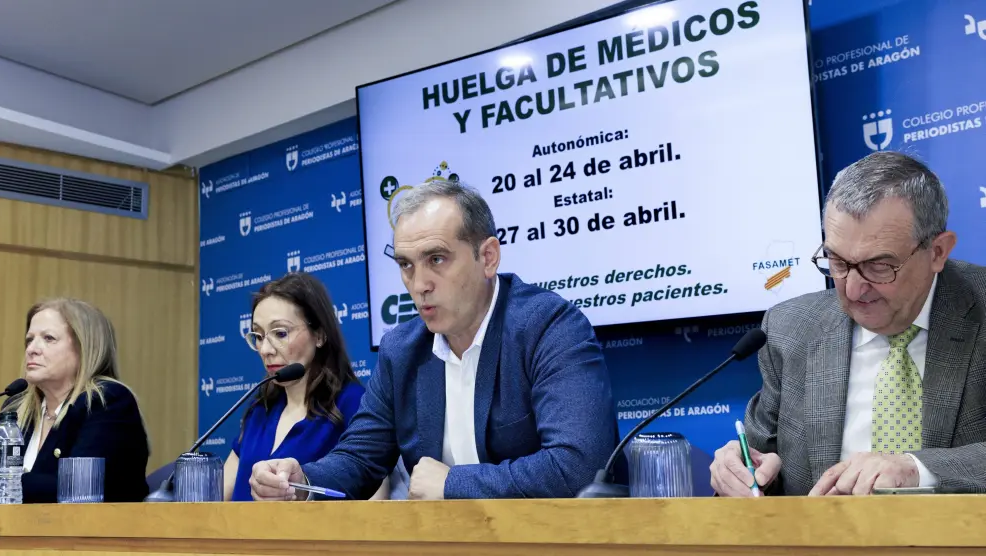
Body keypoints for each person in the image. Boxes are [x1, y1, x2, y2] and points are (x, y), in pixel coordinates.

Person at [249, 180, 620, 500]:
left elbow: (580, 466)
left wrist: (454, 483)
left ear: (488, 257)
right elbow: (360, 459)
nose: (419, 284)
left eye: (437, 259)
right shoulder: (401, 350)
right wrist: (302, 479)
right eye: (406, 265)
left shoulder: (548, 327)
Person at [710, 151, 986, 497]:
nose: (853, 289)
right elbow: (763, 468)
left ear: (937, 252)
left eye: (879, 266)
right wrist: (742, 475)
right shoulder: (790, 329)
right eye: (837, 262)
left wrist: (916, 469)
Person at [223, 272, 378, 501]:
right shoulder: (261, 409)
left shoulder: (354, 404)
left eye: (280, 333)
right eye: (259, 336)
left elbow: (375, 505)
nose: (265, 349)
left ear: (320, 335)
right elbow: (215, 498)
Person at [2, 298, 150, 503]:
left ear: (84, 347)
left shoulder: (106, 401)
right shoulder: (16, 408)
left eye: (49, 338)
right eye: (29, 340)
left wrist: (4, 482)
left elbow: (77, 489)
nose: (31, 349)